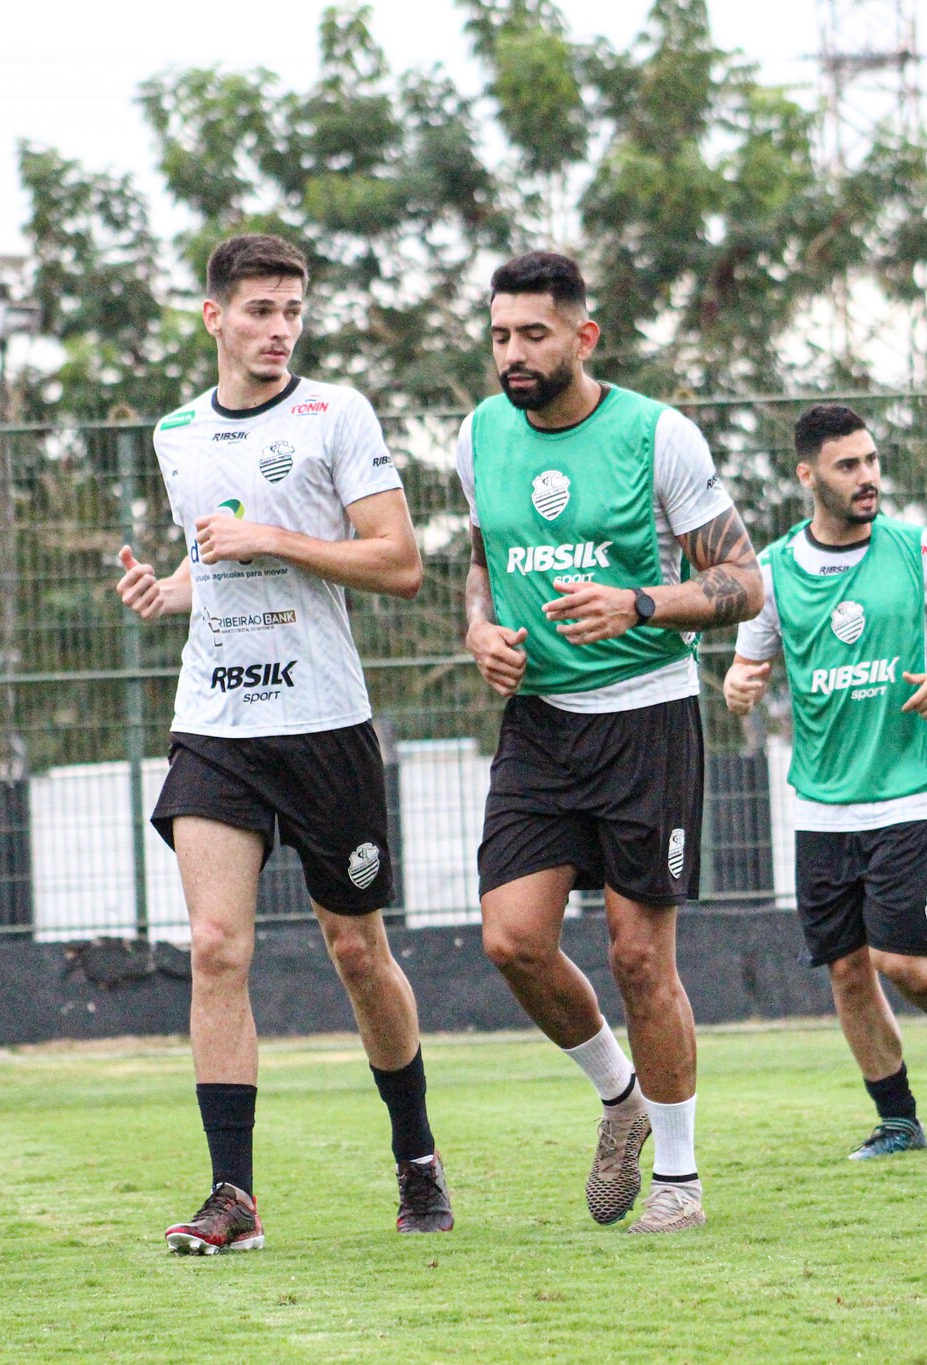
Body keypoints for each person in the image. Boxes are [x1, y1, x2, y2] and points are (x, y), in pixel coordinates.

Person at [115, 233, 451, 1252]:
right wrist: (170, 588)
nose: (276, 329)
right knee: (216, 947)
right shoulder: (176, 432)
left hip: (322, 723)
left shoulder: (334, 414)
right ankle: (234, 1197)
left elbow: (398, 564)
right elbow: (210, 561)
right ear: (213, 316)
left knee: (356, 951)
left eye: (291, 310)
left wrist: (272, 539)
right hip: (217, 721)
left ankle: (417, 1159)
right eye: (258, 310)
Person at [458, 251, 763, 1234]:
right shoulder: (474, 437)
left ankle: (676, 1179)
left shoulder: (654, 434)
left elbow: (742, 583)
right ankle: (617, 1096)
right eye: (500, 334)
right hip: (539, 726)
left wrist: (641, 601)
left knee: (639, 956)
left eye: (532, 334)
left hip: (647, 719)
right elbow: (480, 561)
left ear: (582, 337)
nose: (512, 352)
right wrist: (478, 632)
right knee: (510, 938)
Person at [723, 404, 927, 1159]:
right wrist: (738, 683)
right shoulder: (773, 571)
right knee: (848, 969)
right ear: (807, 475)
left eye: (871, 462)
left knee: (902, 959)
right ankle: (898, 1120)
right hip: (821, 803)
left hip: (912, 788)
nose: (867, 478)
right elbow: (748, 662)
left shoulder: (919, 550)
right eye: (847, 465)